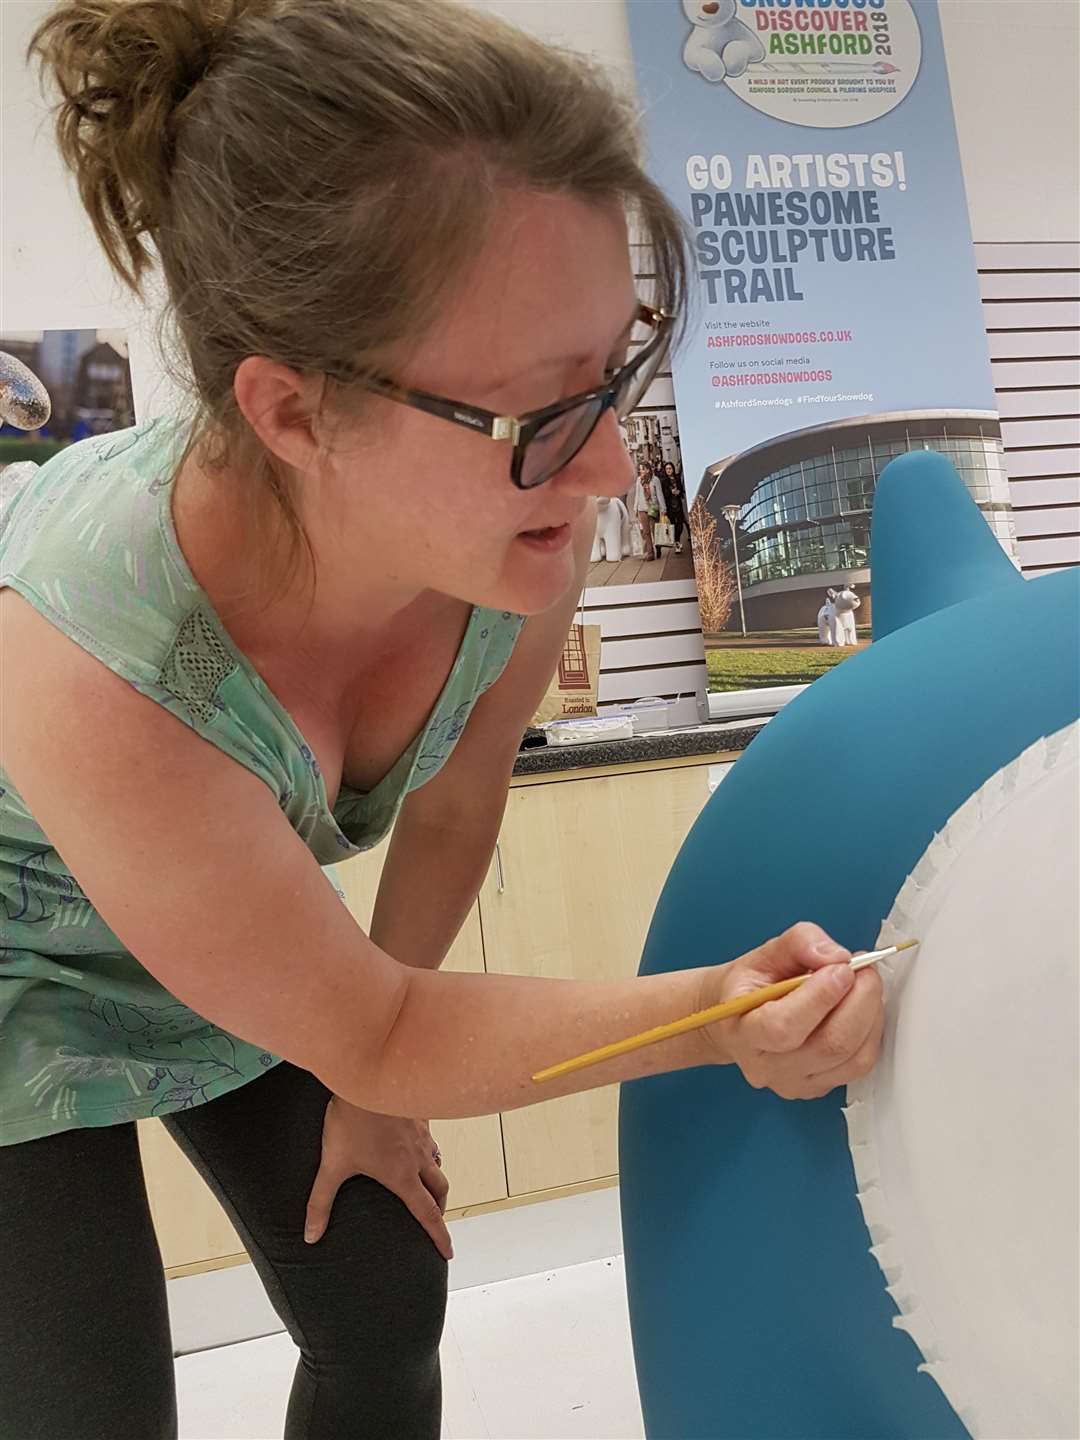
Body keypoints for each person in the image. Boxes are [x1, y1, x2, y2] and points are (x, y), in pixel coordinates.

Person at [0, 3, 884, 1438]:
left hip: (238, 916)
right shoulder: (86, 650)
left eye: (618, 367)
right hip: (14, 960)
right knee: (80, 1403)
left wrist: (380, 1083)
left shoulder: (525, 532)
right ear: (292, 413)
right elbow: (387, 1025)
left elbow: (457, 812)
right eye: (540, 411)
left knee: (383, 1292)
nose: (604, 467)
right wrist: (720, 1018)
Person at [631, 457, 666, 561]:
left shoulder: (655, 480)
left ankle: (658, 547)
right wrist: (635, 508)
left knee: (655, 531)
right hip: (642, 508)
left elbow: (660, 495)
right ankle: (650, 553)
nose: (640, 471)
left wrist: (663, 508)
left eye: (642, 469)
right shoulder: (639, 480)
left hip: (653, 508)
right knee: (646, 532)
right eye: (640, 469)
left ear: (648, 469)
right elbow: (637, 494)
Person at [658, 458, 690, 552]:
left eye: (670, 468)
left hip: (678, 506)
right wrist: (671, 492)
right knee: (673, 525)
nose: (669, 470)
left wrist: (678, 492)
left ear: (673, 469)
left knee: (680, 526)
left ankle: (677, 540)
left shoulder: (677, 478)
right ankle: (677, 544)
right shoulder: (663, 481)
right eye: (667, 469)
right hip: (670, 507)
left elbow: (681, 491)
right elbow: (663, 493)